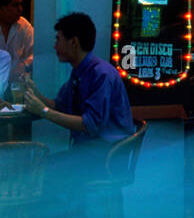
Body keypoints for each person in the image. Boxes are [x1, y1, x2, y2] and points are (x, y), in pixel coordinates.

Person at [23, 12, 134, 148]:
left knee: (43, 164)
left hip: (106, 155)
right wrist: (35, 94)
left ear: (74, 43)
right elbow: (60, 106)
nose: (54, 46)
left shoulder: (101, 74)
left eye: (58, 40)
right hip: (89, 149)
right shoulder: (79, 71)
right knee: (42, 161)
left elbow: (90, 124)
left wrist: (44, 112)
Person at [0, 0, 34, 87]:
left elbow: (36, 54)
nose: (20, 9)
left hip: (18, 87)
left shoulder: (23, 25)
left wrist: (24, 65)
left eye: (21, 4)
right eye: (15, 5)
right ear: (1, 8)